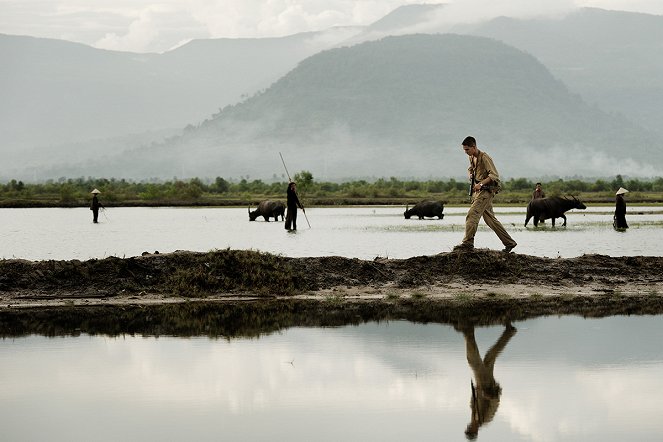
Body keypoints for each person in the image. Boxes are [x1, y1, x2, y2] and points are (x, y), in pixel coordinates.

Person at [453, 136, 517, 253]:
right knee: (490, 220)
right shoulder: (471, 157)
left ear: (474, 147)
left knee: (472, 215)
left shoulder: (485, 157)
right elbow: (470, 169)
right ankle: (509, 243)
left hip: (486, 191)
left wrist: (480, 184)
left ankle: (467, 243)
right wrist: (470, 174)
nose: (466, 152)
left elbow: (494, 175)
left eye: (467, 149)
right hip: (478, 193)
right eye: (464, 150)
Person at [457, 322, 517, 440]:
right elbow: (495, 402)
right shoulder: (486, 419)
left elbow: (473, 400)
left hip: (480, 384)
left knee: (490, 357)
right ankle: (468, 332)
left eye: (468, 429)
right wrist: (486, 395)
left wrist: (475, 390)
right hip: (487, 384)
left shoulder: (473, 416)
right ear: (475, 431)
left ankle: (509, 332)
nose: (469, 427)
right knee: (473, 361)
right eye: (470, 430)